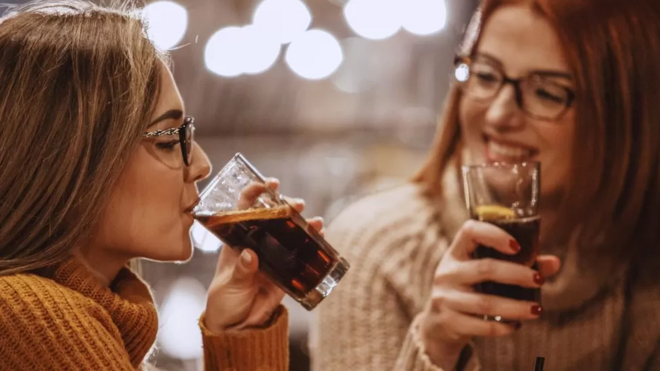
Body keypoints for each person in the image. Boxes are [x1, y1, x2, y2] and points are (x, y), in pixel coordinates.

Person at [312, 0, 660, 370]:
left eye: (546, 92)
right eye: (486, 75)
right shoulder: (374, 247)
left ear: (625, 117)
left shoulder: (646, 269)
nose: (498, 114)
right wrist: (434, 347)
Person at [0, 1, 313, 369]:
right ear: (72, 156)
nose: (201, 164)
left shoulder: (87, 317)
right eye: (168, 141)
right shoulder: (33, 314)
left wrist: (237, 334)